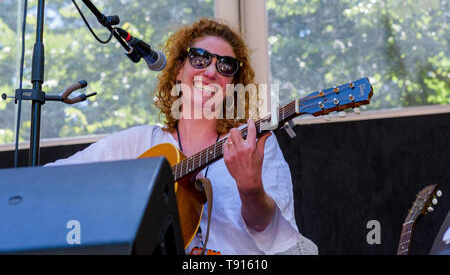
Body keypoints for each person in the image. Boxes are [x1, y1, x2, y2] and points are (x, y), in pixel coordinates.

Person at [45, 18, 318, 255]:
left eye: (226, 66)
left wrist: (251, 191)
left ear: (234, 84)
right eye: (199, 58)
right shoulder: (138, 144)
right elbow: (52, 180)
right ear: (178, 71)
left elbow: (273, 238)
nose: (210, 71)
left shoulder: (255, 145)